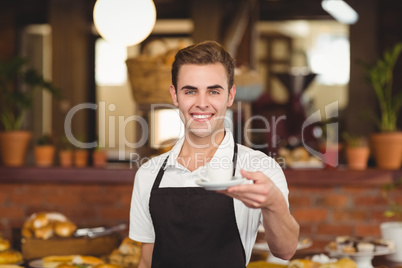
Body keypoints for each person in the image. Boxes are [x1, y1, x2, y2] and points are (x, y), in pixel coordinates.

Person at [129, 40, 299, 268]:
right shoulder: (148, 174)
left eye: (213, 91)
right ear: (175, 95)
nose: (201, 103)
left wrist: (273, 203)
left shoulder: (260, 168)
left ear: (230, 96)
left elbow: (285, 251)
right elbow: (147, 260)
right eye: (190, 91)